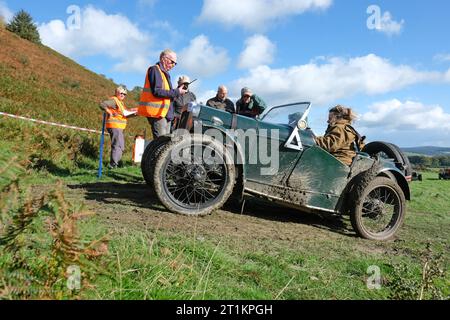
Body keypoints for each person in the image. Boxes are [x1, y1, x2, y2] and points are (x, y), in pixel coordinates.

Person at [137, 49, 187, 139]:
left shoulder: (164, 73)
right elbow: (157, 91)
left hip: (165, 114)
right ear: (164, 59)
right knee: (160, 146)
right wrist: (177, 92)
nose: (173, 65)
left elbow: (166, 95)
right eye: (172, 62)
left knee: (164, 145)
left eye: (175, 63)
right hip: (157, 114)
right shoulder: (155, 70)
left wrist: (177, 93)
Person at [99, 86, 137, 169]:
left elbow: (123, 114)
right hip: (114, 126)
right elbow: (102, 104)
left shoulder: (121, 103)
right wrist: (108, 111)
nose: (123, 95)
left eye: (125, 94)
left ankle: (115, 163)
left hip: (119, 127)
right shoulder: (114, 100)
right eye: (121, 93)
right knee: (117, 145)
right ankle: (113, 165)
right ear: (117, 93)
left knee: (120, 146)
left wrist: (133, 112)